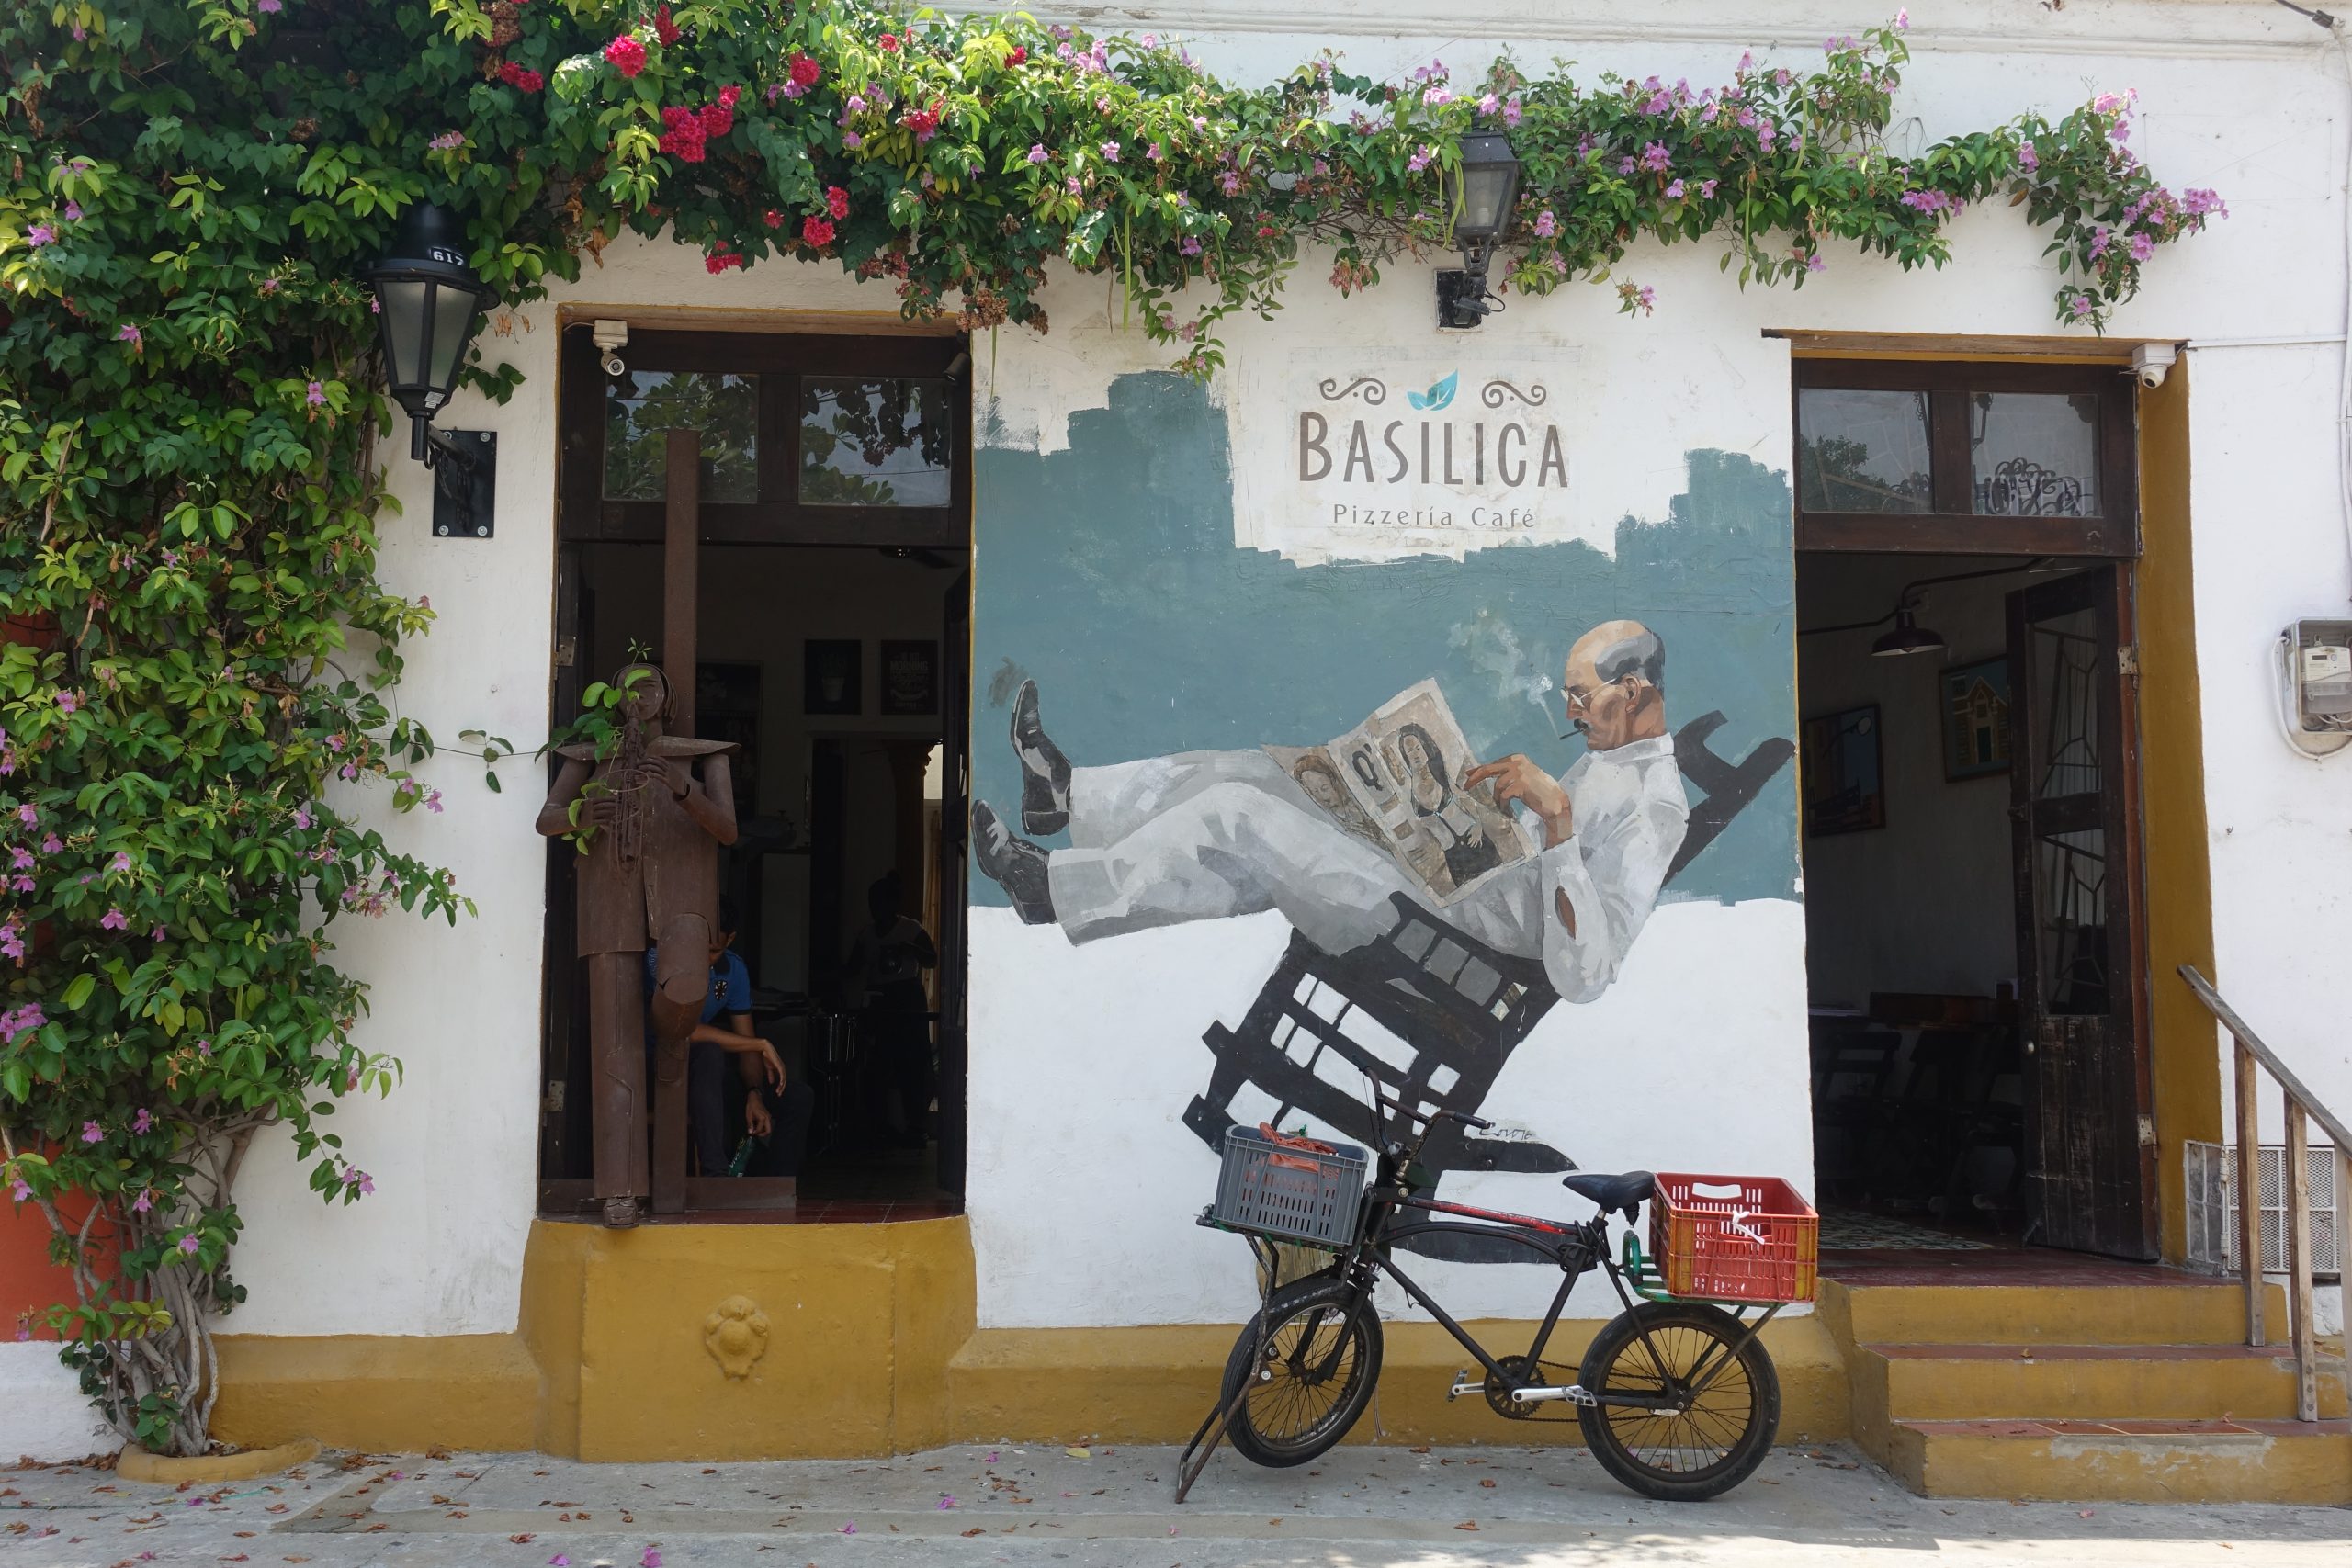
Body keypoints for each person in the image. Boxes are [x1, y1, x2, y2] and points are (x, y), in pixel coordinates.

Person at [972, 620, 1688, 1006]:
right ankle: (1067, 797)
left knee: (1236, 815)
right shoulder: (1609, 758)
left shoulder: (1655, 806)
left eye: (1581, 695)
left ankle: (1054, 890)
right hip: (1435, 893)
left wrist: (1555, 823)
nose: (1569, 710)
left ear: (1631, 691)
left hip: (1440, 946)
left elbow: (1588, 974)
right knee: (1266, 770)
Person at [646, 898, 814, 1179]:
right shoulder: (659, 961)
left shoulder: (733, 971)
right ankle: (716, 1176)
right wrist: (761, 1044)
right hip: (658, 1069)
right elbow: (681, 1029)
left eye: (713, 952)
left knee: (798, 1097)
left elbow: (744, 1040)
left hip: (704, 1079)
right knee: (710, 1053)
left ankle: (775, 1190)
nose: (704, 959)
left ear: (731, 939)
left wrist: (755, 1093)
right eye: (700, 949)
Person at [842, 873, 937, 1146]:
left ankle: (915, 1125)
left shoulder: (911, 929)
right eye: (872, 902)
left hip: (907, 998)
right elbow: (853, 968)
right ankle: (880, 1125)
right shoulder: (867, 934)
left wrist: (909, 949)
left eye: (880, 901)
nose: (875, 907)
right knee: (878, 1065)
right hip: (879, 999)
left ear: (893, 903)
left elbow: (932, 960)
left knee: (912, 1064)